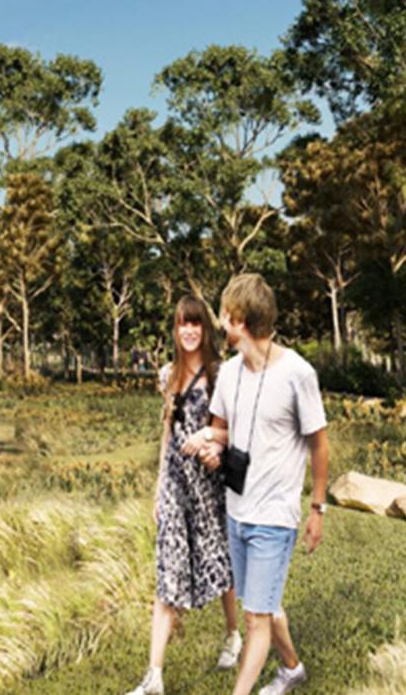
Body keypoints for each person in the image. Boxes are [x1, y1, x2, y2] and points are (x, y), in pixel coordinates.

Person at [192, 274, 328, 695]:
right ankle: (292, 668)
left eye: (226, 317)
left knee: (256, 619)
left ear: (239, 320)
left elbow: (319, 445)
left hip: (274, 515)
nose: (221, 325)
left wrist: (317, 509)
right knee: (262, 605)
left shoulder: (298, 374)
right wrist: (208, 448)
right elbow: (221, 430)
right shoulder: (230, 374)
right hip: (237, 511)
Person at [126, 297, 242, 695]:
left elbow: (234, 433)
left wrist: (209, 437)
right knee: (168, 570)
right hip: (176, 484)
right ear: (174, 331)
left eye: (195, 324)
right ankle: (154, 675)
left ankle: (233, 634)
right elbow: (166, 432)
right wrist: (159, 485)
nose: (189, 331)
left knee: (219, 560)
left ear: (204, 329)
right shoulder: (166, 375)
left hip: (208, 484)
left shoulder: (221, 375)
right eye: (182, 325)